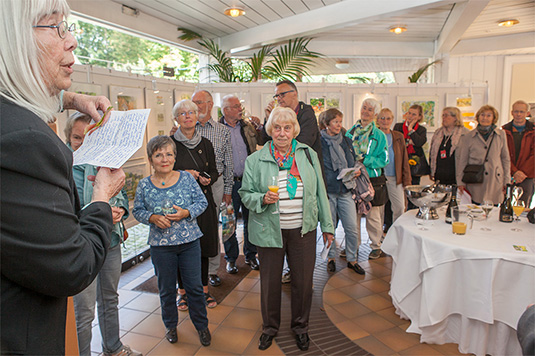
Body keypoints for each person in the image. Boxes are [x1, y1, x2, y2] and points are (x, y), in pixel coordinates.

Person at [0, 1, 126, 354]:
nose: (71, 41)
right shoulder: (24, 143)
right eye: (56, 27)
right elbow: (74, 266)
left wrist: (74, 99)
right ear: (13, 40)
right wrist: (102, 196)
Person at [239, 107, 334, 351]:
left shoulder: (308, 154)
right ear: (270, 130)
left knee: (303, 283)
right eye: (277, 128)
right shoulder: (255, 159)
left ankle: (301, 328)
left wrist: (328, 226)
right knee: (270, 283)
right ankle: (269, 328)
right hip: (269, 230)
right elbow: (245, 195)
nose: (282, 133)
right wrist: (261, 199)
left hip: (303, 230)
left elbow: (320, 192)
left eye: (287, 128)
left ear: (294, 130)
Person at [65, 113, 140, 356]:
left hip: (110, 241)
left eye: (89, 136)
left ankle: (113, 347)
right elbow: (64, 211)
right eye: (77, 137)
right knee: (83, 311)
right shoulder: (62, 166)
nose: (83, 142)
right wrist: (100, 208)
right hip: (79, 247)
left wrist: (118, 210)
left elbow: (120, 194)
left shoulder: (108, 160)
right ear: (68, 137)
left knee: (109, 298)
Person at [132, 136, 211, 347]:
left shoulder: (186, 179)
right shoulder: (144, 185)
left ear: (175, 157)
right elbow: (137, 210)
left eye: (169, 154)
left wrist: (186, 212)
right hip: (161, 247)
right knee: (166, 289)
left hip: (189, 243)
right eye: (159, 155)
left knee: (194, 288)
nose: (164, 159)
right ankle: (171, 326)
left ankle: (202, 326)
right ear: (151, 159)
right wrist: (152, 218)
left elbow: (201, 202)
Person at [262, 80, 324, 283]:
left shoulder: (306, 114)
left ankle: (301, 275)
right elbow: (264, 139)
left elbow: (302, 142)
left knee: (302, 231)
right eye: (276, 96)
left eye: (281, 95)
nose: (278, 99)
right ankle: (290, 269)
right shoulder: (276, 116)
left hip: (303, 176)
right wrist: (268, 120)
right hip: (278, 192)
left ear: (294, 94)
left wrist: (328, 227)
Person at [172, 90, 234, 285]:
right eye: (184, 112)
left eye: (196, 105)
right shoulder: (172, 140)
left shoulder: (218, 133)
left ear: (208, 105)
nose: (191, 112)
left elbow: (225, 164)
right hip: (182, 195)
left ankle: (211, 273)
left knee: (209, 232)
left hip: (210, 190)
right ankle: (186, 281)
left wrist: (224, 188)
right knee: (186, 234)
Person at [170, 99, 219, 310]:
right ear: (177, 118)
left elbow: (215, 171)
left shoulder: (206, 143)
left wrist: (209, 178)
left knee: (204, 247)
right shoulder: (170, 144)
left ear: (197, 115)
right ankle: (183, 294)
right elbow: (164, 172)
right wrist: (185, 175)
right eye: (183, 113)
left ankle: (204, 291)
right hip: (181, 204)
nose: (188, 116)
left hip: (204, 202)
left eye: (191, 112)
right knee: (182, 248)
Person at [319, 108, 365, 275]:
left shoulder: (346, 140)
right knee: (329, 228)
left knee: (352, 227)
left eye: (340, 121)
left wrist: (356, 170)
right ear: (326, 123)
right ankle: (330, 257)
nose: (339, 125)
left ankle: (352, 259)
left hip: (346, 190)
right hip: (328, 192)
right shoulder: (319, 142)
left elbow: (353, 161)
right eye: (335, 122)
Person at [220, 95, 261, 271]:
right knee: (228, 222)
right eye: (236, 107)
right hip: (228, 185)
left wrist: (260, 127)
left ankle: (251, 256)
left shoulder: (247, 126)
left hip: (249, 182)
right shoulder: (218, 129)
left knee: (251, 220)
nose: (240, 110)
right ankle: (230, 259)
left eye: (240, 106)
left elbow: (260, 142)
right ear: (226, 110)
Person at [346, 98, 389, 260]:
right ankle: (353, 246)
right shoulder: (350, 132)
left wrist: (366, 160)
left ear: (375, 114)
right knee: (353, 216)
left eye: (370, 109)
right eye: (364, 108)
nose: (366, 111)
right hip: (353, 179)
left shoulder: (379, 135)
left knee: (373, 216)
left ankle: (376, 246)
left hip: (372, 180)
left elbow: (384, 159)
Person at [456, 105, 511, 205]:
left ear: (493, 118)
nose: (485, 118)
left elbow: (505, 158)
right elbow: (462, 160)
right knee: (474, 209)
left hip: (495, 180)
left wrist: (507, 180)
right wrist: (460, 181)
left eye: (488, 115)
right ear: (478, 117)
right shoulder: (468, 136)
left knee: (493, 211)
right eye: (482, 115)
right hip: (475, 179)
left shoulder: (501, 135)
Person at [376, 108, 411, 232]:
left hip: (395, 178)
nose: (385, 121)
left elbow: (404, 160)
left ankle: (395, 234)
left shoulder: (398, 136)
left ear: (392, 120)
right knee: (379, 212)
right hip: (378, 179)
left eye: (388, 118)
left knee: (400, 208)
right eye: (382, 118)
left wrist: (407, 181)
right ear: (378, 120)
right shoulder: (373, 135)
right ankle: (378, 238)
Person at [502, 100, 534, 207]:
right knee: (504, 203)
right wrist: (514, 171)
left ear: (527, 113)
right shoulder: (503, 131)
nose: (519, 114)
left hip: (527, 175)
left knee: (524, 206)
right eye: (516, 111)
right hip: (508, 173)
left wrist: (522, 172)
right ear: (512, 113)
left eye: (522, 112)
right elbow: (502, 154)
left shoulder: (533, 131)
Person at [429, 107, 469, 186]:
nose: (443, 118)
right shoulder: (438, 133)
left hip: (456, 176)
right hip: (439, 176)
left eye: (446, 116)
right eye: (443, 116)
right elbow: (431, 153)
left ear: (455, 118)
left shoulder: (465, 134)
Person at [394, 104, 429, 183]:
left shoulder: (421, 130)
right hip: (400, 162)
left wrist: (410, 129)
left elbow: (419, 143)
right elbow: (396, 142)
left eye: (414, 114)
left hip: (415, 166)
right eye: (409, 113)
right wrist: (408, 141)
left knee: (413, 189)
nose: (410, 116)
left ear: (419, 117)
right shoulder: (398, 127)